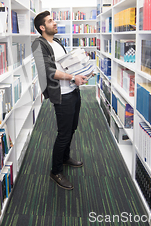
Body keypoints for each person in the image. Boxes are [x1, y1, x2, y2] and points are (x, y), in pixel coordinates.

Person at [31, 11, 88, 190]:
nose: (54, 23)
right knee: (63, 133)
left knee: (72, 128)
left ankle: (65, 158)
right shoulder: (38, 44)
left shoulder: (57, 42)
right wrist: (73, 77)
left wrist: (82, 71)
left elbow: (65, 64)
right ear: (42, 27)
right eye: (50, 21)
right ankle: (55, 171)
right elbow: (48, 71)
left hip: (73, 90)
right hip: (61, 95)